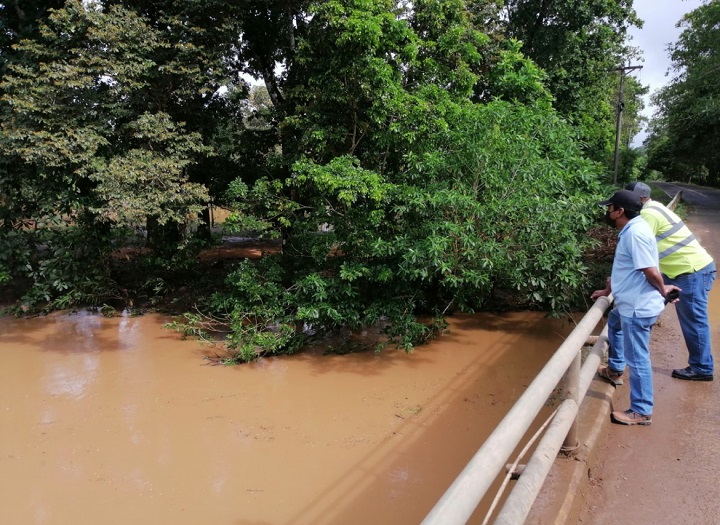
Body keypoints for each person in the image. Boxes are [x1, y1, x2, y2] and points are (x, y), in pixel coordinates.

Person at [591, 189, 679, 426]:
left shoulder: (635, 234)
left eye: (610, 208)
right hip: (628, 304)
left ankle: (641, 411)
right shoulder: (632, 229)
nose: (607, 212)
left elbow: (649, 269)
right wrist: (607, 291)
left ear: (620, 211)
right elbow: (626, 266)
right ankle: (615, 369)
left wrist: (663, 290)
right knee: (615, 322)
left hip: (637, 308)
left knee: (638, 358)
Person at [626, 181, 717, 381]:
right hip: (679, 271)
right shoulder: (654, 207)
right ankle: (630, 353)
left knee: (693, 320)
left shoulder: (648, 215)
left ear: (640, 199)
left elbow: (640, 248)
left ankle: (702, 368)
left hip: (690, 272)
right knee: (645, 304)